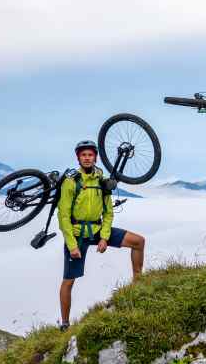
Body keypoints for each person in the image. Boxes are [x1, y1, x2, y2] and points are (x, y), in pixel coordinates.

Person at [58, 140, 145, 331]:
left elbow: (108, 212)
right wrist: (72, 245)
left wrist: (105, 237)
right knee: (69, 280)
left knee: (138, 242)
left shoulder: (101, 180)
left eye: (90, 155)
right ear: (78, 158)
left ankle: (138, 285)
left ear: (95, 157)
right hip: (76, 234)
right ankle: (65, 324)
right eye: (83, 155)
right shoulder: (71, 182)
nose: (87, 158)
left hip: (98, 230)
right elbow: (63, 216)